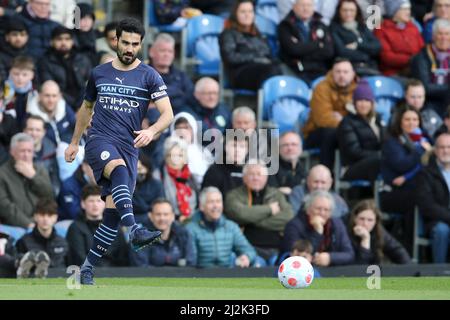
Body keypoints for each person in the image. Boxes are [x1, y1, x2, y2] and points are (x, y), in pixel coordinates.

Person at [64, 18, 174, 285]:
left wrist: (152, 131)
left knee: (111, 217)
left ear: (141, 44)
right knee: (119, 171)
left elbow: (168, 114)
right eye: (125, 42)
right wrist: (75, 141)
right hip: (100, 140)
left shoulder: (150, 75)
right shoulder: (99, 73)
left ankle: (87, 268)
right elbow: (86, 109)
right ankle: (135, 228)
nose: (130, 48)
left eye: (135, 44)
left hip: (129, 146)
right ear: (116, 40)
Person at [380, 105, 432, 252]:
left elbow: (431, 164)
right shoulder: (392, 142)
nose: (411, 123)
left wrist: (407, 176)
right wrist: (421, 151)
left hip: (415, 189)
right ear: (399, 122)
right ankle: (409, 249)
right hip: (392, 193)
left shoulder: (424, 138)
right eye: (407, 119)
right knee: (418, 199)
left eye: (415, 119)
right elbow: (402, 165)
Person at [225, 161, 294, 261]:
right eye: (252, 174)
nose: (256, 178)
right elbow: (239, 213)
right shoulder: (234, 195)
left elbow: (288, 216)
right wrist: (269, 209)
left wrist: (251, 220)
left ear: (266, 177)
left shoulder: (276, 194)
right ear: (244, 177)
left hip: (276, 249)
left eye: (259, 174)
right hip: (247, 249)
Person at [303, 57, 357, 169]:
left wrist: (342, 119)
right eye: (338, 71)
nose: (342, 75)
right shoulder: (322, 88)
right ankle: (326, 175)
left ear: (352, 74)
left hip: (344, 131)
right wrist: (349, 123)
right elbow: (323, 120)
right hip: (316, 133)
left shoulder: (358, 89)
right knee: (330, 133)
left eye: (345, 72)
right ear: (332, 73)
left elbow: (364, 116)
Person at [186, 187, 260, 268]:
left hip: (227, 275)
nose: (215, 206)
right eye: (211, 202)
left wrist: (246, 257)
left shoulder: (231, 227)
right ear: (201, 206)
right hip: (199, 276)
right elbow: (190, 262)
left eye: (218, 201)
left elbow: (249, 250)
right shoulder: (190, 229)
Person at [219, 0, 281, 91]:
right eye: (243, 12)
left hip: (263, 69)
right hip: (240, 73)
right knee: (269, 70)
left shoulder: (258, 34)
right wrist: (254, 58)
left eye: (250, 11)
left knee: (279, 69)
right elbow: (230, 57)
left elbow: (268, 54)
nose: (247, 15)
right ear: (235, 14)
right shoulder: (228, 34)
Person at [281, 190, 355, 266]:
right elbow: (296, 255)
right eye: (318, 209)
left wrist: (330, 258)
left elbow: (349, 254)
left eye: (326, 210)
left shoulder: (337, 224)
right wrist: (318, 232)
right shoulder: (294, 226)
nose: (322, 213)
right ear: (308, 209)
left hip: (331, 271)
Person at [66, 185, 129, 267]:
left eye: (99, 201)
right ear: (83, 204)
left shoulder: (115, 227)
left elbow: (122, 257)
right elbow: (79, 258)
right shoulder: (75, 228)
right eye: (91, 201)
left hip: (114, 274)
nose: (95, 205)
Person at [0, 132, 53, 228]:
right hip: (14, 226)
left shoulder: (40, 170)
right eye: (22, 151)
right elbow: (5, 207)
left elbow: (49, 196)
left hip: (41, 223)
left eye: (29, 151)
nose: (26, 155)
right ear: (12, 152)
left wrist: (33, 176)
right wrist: (28, 224)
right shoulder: (2, 174)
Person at [277, 0, 335, 85]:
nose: (306, 9)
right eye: (302, 5)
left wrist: (302, 49)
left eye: (309, 5)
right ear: (294, 7)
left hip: (320, 71)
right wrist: (318, 44)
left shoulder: (321, 24)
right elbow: (294, 50)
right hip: (296, 71)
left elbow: (329, 51)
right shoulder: (285, 25)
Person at [337, 79, 383, 182]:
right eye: (360, 100)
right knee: (380, 160)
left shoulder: (378, 120)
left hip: (374, 161)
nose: (363, 104)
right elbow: (353, 151)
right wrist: (378, 155)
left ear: (371, 103)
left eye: (366, 100)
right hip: (352, 167)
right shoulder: (347, 122)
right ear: (354, 103)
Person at [37, 26, 92, 110]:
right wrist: (74, 106)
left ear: (72, 41)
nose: (63, 42)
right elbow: (50, 87)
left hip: (83, 102)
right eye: (59, 39)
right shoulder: (45, 62)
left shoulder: (82, 59)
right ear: (52, 42)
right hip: (58, 102)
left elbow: (90, 83)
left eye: (67, 39)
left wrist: (80, 105)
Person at [130, 198, 196, 267]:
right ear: (151, 216)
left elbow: (190, 263)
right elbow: (141, 267)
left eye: (166, 214)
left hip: (179, 276)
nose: (162, 218)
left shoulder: (184, 234)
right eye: (158, 214)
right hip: (151, 277)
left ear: (173, 216)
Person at [416, 133, 450, 263]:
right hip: (436, 220)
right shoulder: (425, 174)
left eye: (448, 147)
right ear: (435, 151)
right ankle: (439, 274)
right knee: (442, 230)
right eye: (441, 147)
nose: (445, 151)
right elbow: (427, 205)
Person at [15, 198, 68, 278]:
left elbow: (71, 266)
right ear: (35, 217)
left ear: (55, 218)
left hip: (59, 283)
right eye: (42, 215)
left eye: (50, 215)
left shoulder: (63, 242)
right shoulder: (23, 241)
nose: (45, 219)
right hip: (31, 285)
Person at [348, 199, 411, 264]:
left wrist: (410, 270)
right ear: (354, 218)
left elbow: (398, 251)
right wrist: (365, 239)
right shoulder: (345, 232)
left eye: (370, 220)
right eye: (361, 219)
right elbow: (360, 267)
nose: (365, 224)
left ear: (375, 221)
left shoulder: (378, 231)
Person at [330, 0, 381, 76]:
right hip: (350, 70)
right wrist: (367, 54)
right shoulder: (334, 29)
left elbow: (377, 46)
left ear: (357, 11)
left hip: (371, 69)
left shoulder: (362, 27)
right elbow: (341, 51)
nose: (348, 13)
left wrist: (357, 45)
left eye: (352, 10)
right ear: (339, 11)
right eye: (345, 10)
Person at [373, 0, 424, 77]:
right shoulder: (381, 30)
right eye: (404, 9)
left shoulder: (413, 27)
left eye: (409, 9)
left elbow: (422, 49)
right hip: (394, 73)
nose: (408, 12)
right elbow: (387, 57)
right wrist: (411, 60)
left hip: (416, 70)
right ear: (394, 11)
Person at [411, 19, 450, 117]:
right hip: (429, 102)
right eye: (440, 34)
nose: (443, 38)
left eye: (447, 34)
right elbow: (425, 87)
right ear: (433, 36)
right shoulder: (422, 57)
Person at [149, 33, 195, 114]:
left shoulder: (181, 76)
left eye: (170, 51)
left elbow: (192, 99)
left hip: (179, 119)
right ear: (151, 52)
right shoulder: (143, 75)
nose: (166, 55)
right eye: (162, 50)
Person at [169, 112, 214, 189]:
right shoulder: (168, 154)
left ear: (194, 129)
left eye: (186, 127)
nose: (182, 132)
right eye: (178, 128)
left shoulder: (204, 153)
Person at [26, 80, 76, 145]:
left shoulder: (65, 107)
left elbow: (76, 126)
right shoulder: (31, 114)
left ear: (59, 96)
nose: (51, 100)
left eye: (54, 96)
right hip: (47, 153)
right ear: (40, 96)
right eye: (47, 95)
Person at [161, 136, 198, 223]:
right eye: (172, 155)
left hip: (193, 221)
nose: (176, 160)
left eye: (180, 155)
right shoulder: (159, 176)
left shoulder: (191, 177)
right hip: (168, 222)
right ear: (166, 157)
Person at [23, 115, 60, 197]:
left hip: (45, 200)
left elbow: (55, 182)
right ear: (24, 131)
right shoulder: (16, 153)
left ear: (44, 132)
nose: (34, 133)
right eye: (30, 129)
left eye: (38, 130)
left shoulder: (51, 152)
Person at [202, 134, 248, 198]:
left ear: (247, 150)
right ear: (225, 147)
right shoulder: (214, 172)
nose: (237, 150)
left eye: (242, 146)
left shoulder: (251, 172)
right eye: (234, 145)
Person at [190, 77, 232, 143]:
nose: (212, 97)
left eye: (215, 93)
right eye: (208, 93)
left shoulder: (224, 110)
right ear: (197, 94)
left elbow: (231, 132)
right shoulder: (188, 113)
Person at [2, 56, 36, 129]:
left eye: (24, 75)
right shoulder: (3, 90)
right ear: (10, 73)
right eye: (16, 74)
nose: (20, 78)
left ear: (32, 75)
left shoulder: (34, 93)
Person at [268, 131, 306, 196]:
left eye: (294, 144)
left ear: (301, 148)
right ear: (278, 149)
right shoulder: (270, 168)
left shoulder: (303, 171)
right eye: (285, 145)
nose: (290, 148)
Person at [132, 153, 165, 222]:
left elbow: (160, 206)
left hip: (153, 220)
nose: (137, 172)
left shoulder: (156, 185)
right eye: (134, 169)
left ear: (147, 168)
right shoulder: (125, 185)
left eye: (140, 169)